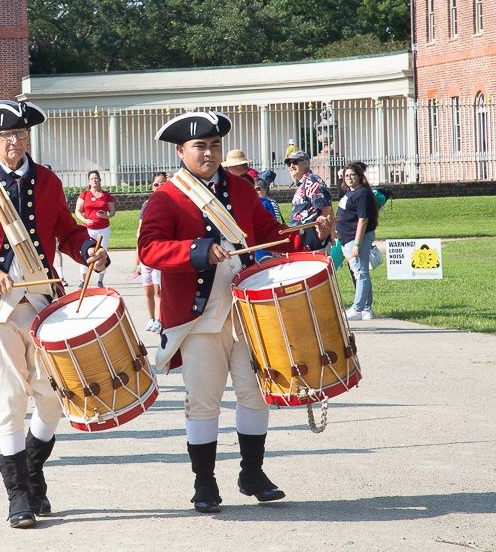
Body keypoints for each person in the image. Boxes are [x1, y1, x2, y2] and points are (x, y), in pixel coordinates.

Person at [138, 111, 331, 515]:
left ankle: (252, 472)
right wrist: (197, 251)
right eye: (199, 147)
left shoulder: (241, 190)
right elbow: (149, 249)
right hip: (199, 318)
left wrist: (311, 232)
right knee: (204, 402)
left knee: (255, 393)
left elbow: (269, 235)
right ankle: (204, 482)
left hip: (246, 312)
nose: (208, 153)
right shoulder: (166, 197)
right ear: (181, 151)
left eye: (213, 146)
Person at [0, 99, 107, 529]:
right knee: (10, 400)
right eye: (7, 136)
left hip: (42, 302)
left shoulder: (45, 179)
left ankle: (32, 469)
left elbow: (66, 232)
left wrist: (89, 251)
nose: (16, 142)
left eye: (21, 134)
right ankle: (18, 494)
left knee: (53, 397)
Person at [336, 161, 379, 321]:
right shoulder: (349, 192)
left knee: (360, 273)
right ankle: (367, 308)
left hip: (356, 238)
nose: (349, 178)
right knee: (361, 272)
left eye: (352, 175)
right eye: (346, 175)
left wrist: (357, 244)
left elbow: (363, 220)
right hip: (346, 237)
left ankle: (358, 308)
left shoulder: (362, 193)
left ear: (360, 177)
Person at [135, 172, 167, 333]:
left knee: (158, 290)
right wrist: (137, 260)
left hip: (159, 253)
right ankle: (151, 319)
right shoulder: (147, 204)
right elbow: (140, 232)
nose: (159, 186)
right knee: (147, 290)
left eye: (162, 183)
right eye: (156, 184)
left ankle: (160, 319)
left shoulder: (170, 202)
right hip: (146, 255)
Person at [285, 149, 333, 251]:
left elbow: (326, 208)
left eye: (295, 162)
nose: (291, 166)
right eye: (289, 163)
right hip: (304, 239)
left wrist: (329, 234)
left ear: (306, 163)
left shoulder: (312, 180)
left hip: (314, 240)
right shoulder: (303, 183)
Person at [75, 169, 115, 287]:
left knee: (102, 252)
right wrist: (85, 220)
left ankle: (100, 280)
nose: (94, 181)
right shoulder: (84, 194)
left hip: (103, 229)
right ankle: (83, 280)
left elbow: (112, 211)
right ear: (89, 181)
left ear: (100, 180)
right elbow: (78, 210)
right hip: (88, 229)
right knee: (85, 253)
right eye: (92, 179)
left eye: (96, 178)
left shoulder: (106, 195)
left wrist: (106, 215)